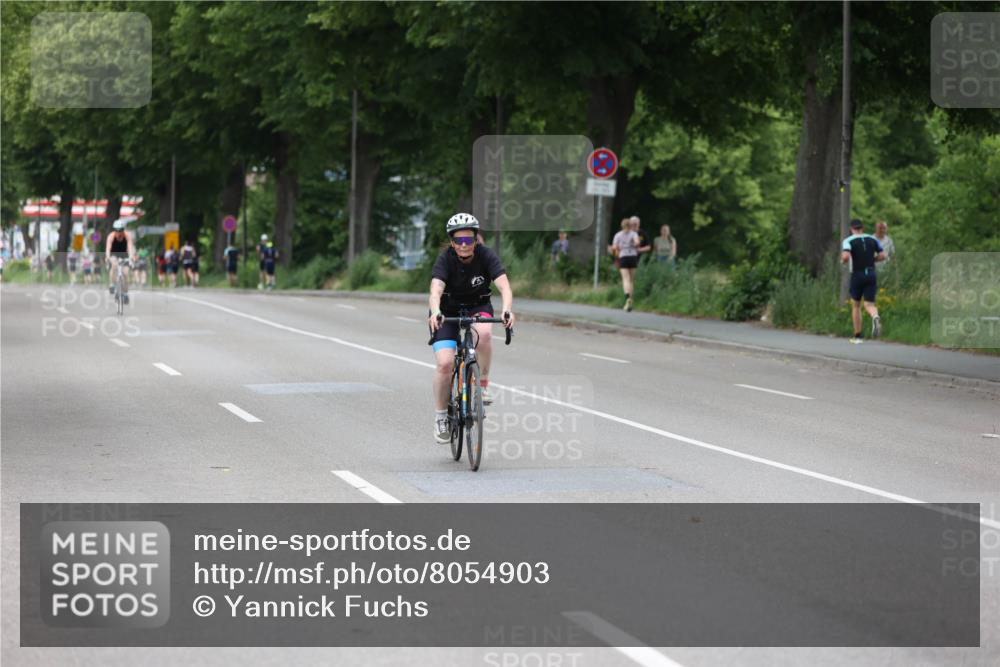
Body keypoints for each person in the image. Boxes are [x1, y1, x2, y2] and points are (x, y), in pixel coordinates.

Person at [427, 213, 515, 444]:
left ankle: (482, 385)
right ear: (452, 242)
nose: (464, 245)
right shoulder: (445, 259)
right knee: (445, 363)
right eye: (459, 241)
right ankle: (440, 418)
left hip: (478, 307)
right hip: (446, 312)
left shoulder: (486, 256)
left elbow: (505, 287)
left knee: (484, 334)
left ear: (476, 240)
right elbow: (435, 291)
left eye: (468, 240)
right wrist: (436, 311)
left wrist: (507, 310)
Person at [841, 218, 886, 343]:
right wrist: (873, 261)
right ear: (862, 228)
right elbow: (883, 255)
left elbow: (845, 256)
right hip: (871, 274)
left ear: (851, 229)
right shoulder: (873, 239)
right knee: (869, 304)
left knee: (856, 305)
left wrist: (843, 261)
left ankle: (858, 336)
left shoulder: (848, 240)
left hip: (857, 274)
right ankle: (875, 316)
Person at [608, 218, 639, 311]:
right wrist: (633, 244)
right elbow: (637, 243)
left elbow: (614, 247)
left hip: (623, 257)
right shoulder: (634, 234)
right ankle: (631, 300)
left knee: (626, 279)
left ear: (622, 226)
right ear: (630, 226)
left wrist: (617, 248)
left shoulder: (618, 235)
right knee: (631, 280)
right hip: (633, 256)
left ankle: (627, 298)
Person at [105, 220, 136, 304]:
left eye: (121, 230)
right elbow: (108, 249)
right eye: (117, 230)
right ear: (114, 230)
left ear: (123, 229)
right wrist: (107, 257)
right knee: (114, 265)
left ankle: (125, 293)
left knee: (125, 273)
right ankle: (112, 284)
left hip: (124, 254)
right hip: (113, 254)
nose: (119, 232)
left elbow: (130, 247)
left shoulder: (127, 235)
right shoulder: (111, 236)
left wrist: (131, 257)